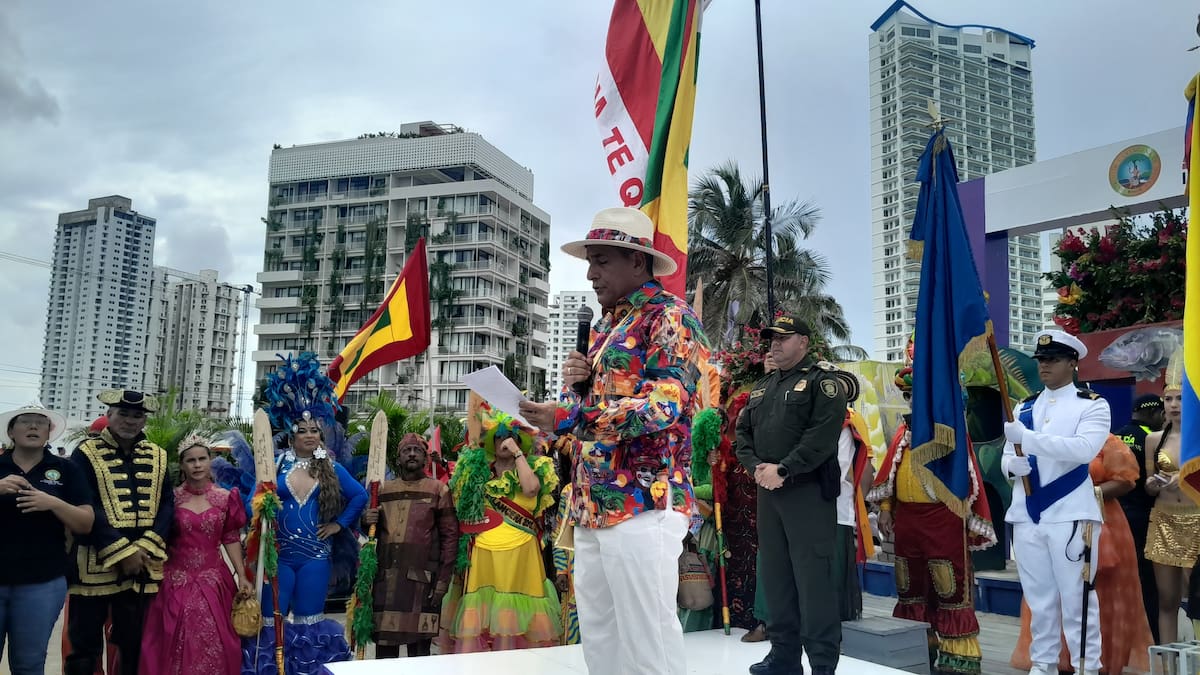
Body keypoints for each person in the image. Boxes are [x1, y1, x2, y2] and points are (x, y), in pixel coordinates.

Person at [519, 206, 710, 675]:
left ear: (638, 263)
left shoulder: (671, 318)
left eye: (601, 260)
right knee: (600, 631)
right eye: (590, 261)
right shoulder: (604, 328)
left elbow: (662, 407)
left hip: (643, 502)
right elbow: (583, 415)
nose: (590, 273)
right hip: (591, 505)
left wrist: (567, 414)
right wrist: (569, 395)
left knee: (648, 635)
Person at [735, 313, 847, 675]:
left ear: (803, 342)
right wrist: (758, 468)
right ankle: (783, 656)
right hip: (770, 494)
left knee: (813, 581)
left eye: (784, 338)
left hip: (807, 493)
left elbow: (821, 436)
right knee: (777, 576)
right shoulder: (762, 388)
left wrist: (784, 468)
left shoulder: (823, 383)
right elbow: (742, 435)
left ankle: (822, 664)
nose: (775, 344)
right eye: (772, 339)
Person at [245, 353, 369, 674]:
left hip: (316, 558)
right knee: (273, 623)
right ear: (292, 435)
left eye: (315, 429)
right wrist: (262, 507)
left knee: (309, 621)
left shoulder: (330, 467)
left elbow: (360, 495)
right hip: (279, 558)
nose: (310, 434)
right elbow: (250, 503)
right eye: (302, 430)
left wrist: (339, 525)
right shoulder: (274, 465)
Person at [868, 366, 994, 675]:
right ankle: (919, 648)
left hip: (944, 518)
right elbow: (892, 472)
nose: (911, 402)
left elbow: (965, 481)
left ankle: (957, 657)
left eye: (917, 396)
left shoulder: (950, 432)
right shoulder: (903, 433)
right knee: (909, 585)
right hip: (909, 521)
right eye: (908, 396)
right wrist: (885, 506)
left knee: (949, 586)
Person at [1002, 330, 1109, 675]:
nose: (1044, 366)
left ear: (1072, 363)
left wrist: (1028, 440)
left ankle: (1087, 667)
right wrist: (1010, 466)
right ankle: (1043, 665)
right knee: (1040, 601)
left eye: (1053, 360)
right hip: (1027, 514)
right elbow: (1008, 454)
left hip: (1070, 514)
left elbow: (1083, 450)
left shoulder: (1092, 404)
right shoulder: (1024, 406)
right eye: (1041, 360)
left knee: (1078, 600)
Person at [1011, 434, 1153, 674]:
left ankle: (1094, 661)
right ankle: (1051, 659)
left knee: (1093, 592)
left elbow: (1127, 480)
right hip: (1048, 519)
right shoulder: (1042, 437)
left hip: (1100, 518)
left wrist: (1084, 494)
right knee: (1047, 591)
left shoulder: (1104, 440)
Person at [67, 390, 174, 675]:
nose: (129, 421)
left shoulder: (158, 455)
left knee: (133, 643)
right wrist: (122, 551)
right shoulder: (85, 453)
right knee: (84, 647)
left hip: (142, 565)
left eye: (137, 415)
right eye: (123, 414)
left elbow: (166, 505)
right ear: (109, 416)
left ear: (144, 420)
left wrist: (144, 548)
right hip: (94, 562)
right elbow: (84, 503)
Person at [444, 408, 560, 652]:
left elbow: (530, 490)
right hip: (485, 551)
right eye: (499, 436)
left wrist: (518, 454)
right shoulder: (478, 472)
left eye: (512, 436)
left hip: (522, 554)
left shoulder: (534, 467)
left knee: (521, 615)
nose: (504, 441)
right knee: (483, 617)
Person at [139, 436, 251, 675]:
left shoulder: (225, 497)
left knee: (219, 642)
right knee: (167, 639)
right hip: (174, 580)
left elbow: (230, 538)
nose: (197, 465)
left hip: (214, 580)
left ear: (210, 462)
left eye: (202, 459)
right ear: (182, 465)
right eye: (191, 460)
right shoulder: (170, 498)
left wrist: (242, 575)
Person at [0, 404, 94, 675]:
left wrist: (52, 502)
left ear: (49, 432)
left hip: (42, 582)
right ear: (11, 431)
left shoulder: (66, 470)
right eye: (25, 422)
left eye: (40, 423)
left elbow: (85, 523)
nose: (33, 427)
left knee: (28, 663)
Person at [363, 433, 458, 658]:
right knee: (384, 656)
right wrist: (365, 520)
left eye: (418, 450)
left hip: (422, 584)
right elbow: (371, 532)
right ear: (399, 458)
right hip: (385, 583)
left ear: (426, 458)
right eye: (407, 450)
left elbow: (451, 537)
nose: (412, 454)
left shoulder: (439, 490)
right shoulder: (383, 490)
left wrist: (443, 581)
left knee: (419, 657)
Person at [1144, 383, 1198, 644]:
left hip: (1196, 520)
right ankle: (1167, 663)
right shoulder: (1154, 439)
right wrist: (1152, 484)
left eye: (1180, 398)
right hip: (1163, 519)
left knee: (1196, 598)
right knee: (1166, 598)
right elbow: (1147, 484)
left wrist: (1186, 478)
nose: (1174, 405)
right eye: (1168, 399)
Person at [1115, 393, 1165, 642]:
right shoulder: (1152, 439)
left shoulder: (1115, 435)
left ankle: (1123, 636)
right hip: (1143, 516)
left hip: (1116, 515)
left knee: (1120, 578)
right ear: (1153, 413)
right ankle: (1153, 636)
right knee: (1148, 579)